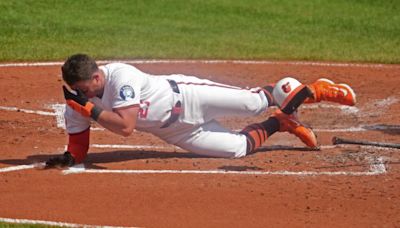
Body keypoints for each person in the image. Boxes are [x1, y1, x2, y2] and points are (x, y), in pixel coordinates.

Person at [45, 54, 356, 168]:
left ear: (97, 77)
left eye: (84, 88)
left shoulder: (120, 77)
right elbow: (78, 139)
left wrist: (89, 109)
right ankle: (280, 123)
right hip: (175, 131)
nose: (81, 94)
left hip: (191, 97)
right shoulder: (79, 99)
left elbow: (125, 126)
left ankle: (314, 89)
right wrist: (71, 157)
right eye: (78, 90)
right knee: (236, 149)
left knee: (254, 102)